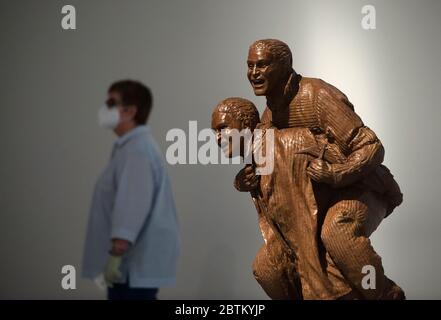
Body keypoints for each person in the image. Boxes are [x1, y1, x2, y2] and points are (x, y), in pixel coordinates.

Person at [240, 38, 404, 299]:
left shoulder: (317, 95)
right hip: (314, 202)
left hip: (361, 189)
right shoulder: (271, 111)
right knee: (269, 266)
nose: (254, 73)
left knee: (337, 231)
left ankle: (384, 293)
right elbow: (267, 157)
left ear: (284, 66)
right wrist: (248, 178)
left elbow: (371, 145)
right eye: (250, 66)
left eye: (262, 65)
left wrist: (337, 174)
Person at [82, 80, 181, 300]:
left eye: (111, 102)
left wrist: (115, 256)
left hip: (130, 267)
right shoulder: (130, 148)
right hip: (131, 266)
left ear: (130, 111)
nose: (104, 108)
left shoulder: (137, 150)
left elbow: (131, 207)